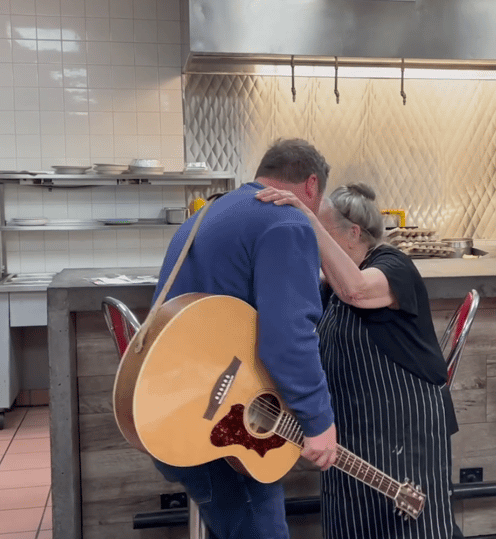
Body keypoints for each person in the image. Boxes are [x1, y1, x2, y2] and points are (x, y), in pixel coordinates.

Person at [150, 138, 339, 539]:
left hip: (171, 412)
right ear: (310, 186)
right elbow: (288, 338)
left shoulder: (211, 213)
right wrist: (318, 420)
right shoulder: (286, 221)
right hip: (217, 424)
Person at [257, 182, 461, 539]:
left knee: (411, 526)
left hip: (404, 428)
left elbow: (358, 290)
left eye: (322, 231)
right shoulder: (330, 283)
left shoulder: (393, 266)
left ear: (353, 233)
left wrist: (306, 215)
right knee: (351, 522)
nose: (315, 240)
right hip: (351, 427)